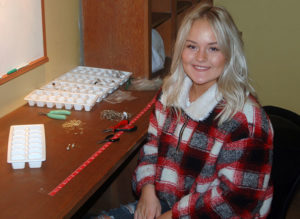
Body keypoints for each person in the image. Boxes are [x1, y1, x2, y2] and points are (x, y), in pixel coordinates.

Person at [94, 2, 273, 219]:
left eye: (213, 48)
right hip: (166, 203)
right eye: (192, 46)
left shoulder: (246, 120)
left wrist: (172, 215)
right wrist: (148, 190)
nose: (200, 57)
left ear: (230, 54)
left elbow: (232, 204)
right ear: (181, 49)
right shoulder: (170, 93)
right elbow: (151, 146)